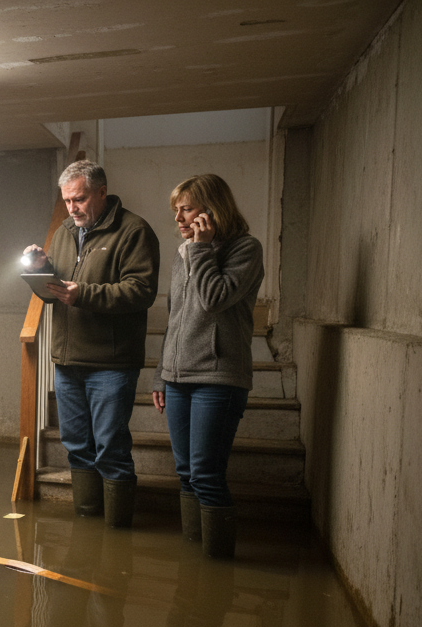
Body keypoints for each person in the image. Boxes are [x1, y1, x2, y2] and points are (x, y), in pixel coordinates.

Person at [24, 160, 160, 528]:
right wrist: (39, 270)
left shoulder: (134, 231)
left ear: (102, 192)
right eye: (67, 201)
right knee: (77, 448)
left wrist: (82, 294)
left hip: (111, 364)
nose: (72, 208)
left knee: (111, 450)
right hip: (68, 361)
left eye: (79, 199)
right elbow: (56, 293)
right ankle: (88, 527)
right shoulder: (65, 232)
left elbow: (141, 291)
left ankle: (117, 537)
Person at [150, 174, 264, 558]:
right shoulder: (185, 252)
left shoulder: (246, 248)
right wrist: (160, 375)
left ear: (214, 208)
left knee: (206, 475)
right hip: (178, 377)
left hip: (219, 377)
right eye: (176, 211)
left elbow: (215, 299)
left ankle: (217, 568)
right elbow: (175, 317)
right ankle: (194, 564)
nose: (179, 219)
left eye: (187, 209)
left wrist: (200, 249)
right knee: (185, 476)